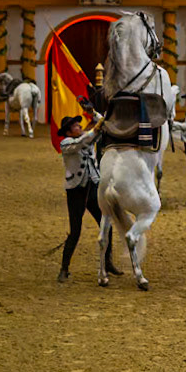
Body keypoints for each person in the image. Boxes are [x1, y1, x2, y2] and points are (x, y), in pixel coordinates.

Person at [56, 115, 120, 282]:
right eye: (76, 126)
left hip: (93, 188)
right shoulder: (66, 143)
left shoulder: (86, 137)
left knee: (106, 225)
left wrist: (95, 115)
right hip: (76, 191)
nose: (80, 127)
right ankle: (64, 268)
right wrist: (95, 128)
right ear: (68, 131)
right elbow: (83, 141)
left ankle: (108, 262)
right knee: (75, 231)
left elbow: (103, 125)